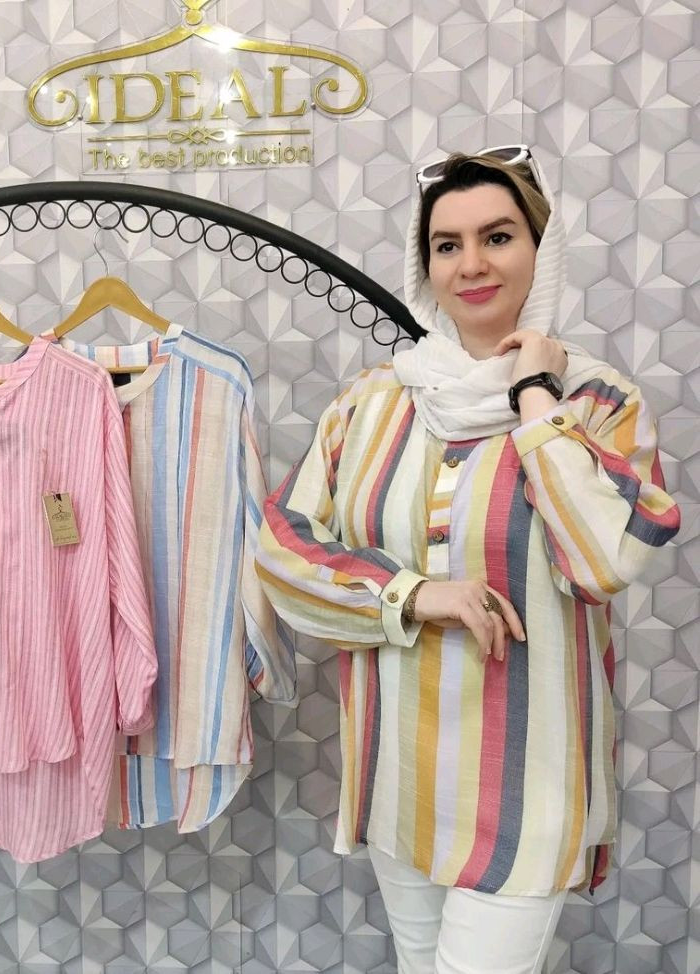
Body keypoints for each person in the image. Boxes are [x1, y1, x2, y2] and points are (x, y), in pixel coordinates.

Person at [255, 146, 680, 974]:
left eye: (497, 236)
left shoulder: (599, 403)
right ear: (425, 266)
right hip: (399, 777)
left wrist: (533, 395)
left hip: (528, 789)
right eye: (446, 245)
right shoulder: (373, 400)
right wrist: (413, 595)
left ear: (540, 249)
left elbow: (599, 561)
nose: (471, 264)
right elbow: (281, 549)